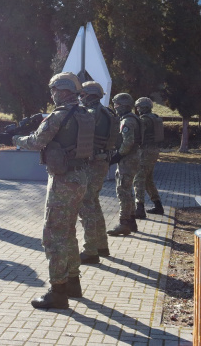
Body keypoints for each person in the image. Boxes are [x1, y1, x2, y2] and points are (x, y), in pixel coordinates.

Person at [12, 72, 94, 310]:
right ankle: (72, 283)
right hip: (80, 177)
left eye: (53, 91)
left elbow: (37, 141)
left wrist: (17, 139)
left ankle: (58, 292)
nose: (52, 95)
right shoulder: (84, 114)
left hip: (63, 180)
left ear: (62, 91)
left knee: (54, 235)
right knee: (68, 231)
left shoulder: (59, 115)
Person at [78, 81, 119, 265]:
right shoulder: (108, 112)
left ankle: (90, 250)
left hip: (92, 164)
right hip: (101, 162)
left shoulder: (92, 114)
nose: (80, 98)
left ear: (89, 95)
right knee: (94, 203)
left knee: (86, 205)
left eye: (82, 95)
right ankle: (101, 245)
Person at [107, 93, 142, 236]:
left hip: (127, 159)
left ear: (124, 106)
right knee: (127, 190)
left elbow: (128, 142)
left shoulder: (127, 121)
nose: (115, 108)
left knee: (123, 191)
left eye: (117, 105)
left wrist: (117, 156)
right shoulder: (133, 118)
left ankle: (124, 223)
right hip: (132, 158)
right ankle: (132, 221)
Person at [133, 97, 164, 217]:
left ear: (144, 107)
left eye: (139, 107)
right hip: (153, 150)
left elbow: (137, 134)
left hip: (145, 151)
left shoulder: (144, 120)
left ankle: (139, 208)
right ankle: (158, 205)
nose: (138, 109)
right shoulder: (155, 117)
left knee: (139, 179)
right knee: (148, 180)